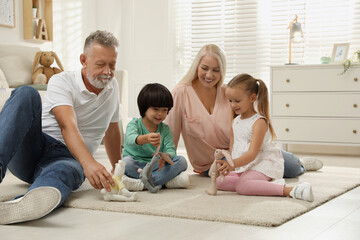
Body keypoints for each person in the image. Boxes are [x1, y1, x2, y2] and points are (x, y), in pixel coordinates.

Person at [0, 30, 122, 224]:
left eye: (112, 65)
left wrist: (119, 170)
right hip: (33, 148)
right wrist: (89, 163)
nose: (107, 72)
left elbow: (113, 130)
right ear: (84, 60)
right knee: (25, 93)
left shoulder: (113, 88)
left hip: (67, 159)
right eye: (100, 64)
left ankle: (24, 203)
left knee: (67, 171)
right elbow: (67, 125)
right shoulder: (61, 81)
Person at [165, 44, 323, 177]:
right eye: (204, 68)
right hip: (209, 163)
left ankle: (300, 163)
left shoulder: (228, 93)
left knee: (290, 167)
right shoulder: (181, 92)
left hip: (243, 153)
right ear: (196, 67)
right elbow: (170, 133)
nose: (209, 75)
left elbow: (249, 121)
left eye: (216, 70)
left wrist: (247, 153)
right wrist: (169, 165)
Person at [214, 73, 313, 201]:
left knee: (242, 187)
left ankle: (290, 190)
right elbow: (233, 147)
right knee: (219, 181)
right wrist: (227, 163)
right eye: (230, 101)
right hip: (247, 166)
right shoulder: (236, 121)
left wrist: (232, 164)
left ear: (252, 98)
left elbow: (252, 154)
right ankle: (259, 184)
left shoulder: (258, 122)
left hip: (263, 164)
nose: (233, 105)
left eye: (237, 101)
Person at [121, 83, 190, 191]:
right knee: (126, 163)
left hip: (157, 166)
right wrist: (145, 138)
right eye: (156, 109)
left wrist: (165, 156)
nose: (160, 114)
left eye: (164, 110)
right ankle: (164, 181)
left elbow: (171, 150)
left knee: (182, 161)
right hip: (137, 165)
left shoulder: (165, 129)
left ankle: (143, 183)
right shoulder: (134, 124)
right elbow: (130, 139)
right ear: (144, 107)